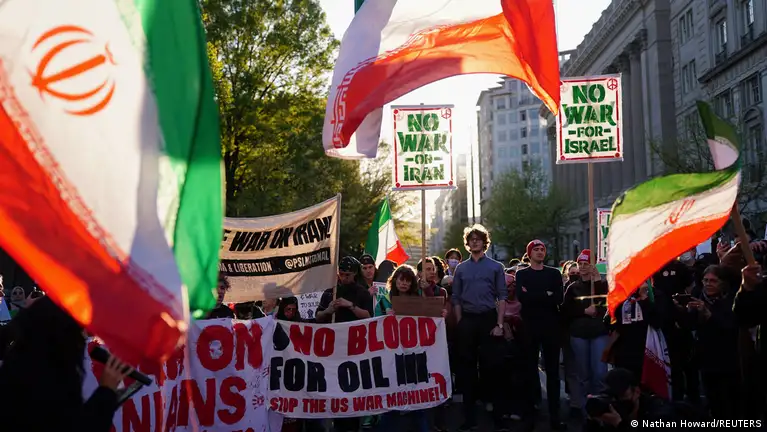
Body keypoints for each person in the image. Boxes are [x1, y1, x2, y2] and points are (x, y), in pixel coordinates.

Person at [0, 296, 133, 432]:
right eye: (77, 334)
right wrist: (106, 391)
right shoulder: (46, 383)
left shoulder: (15, 369)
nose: (81, 341)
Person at [451, 224, 508, 431]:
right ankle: (469, 419)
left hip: (488, 319)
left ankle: (498, 417)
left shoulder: (496, 267)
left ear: (485, 243)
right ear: (467, 243)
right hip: (467, 320)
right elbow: (456, 297)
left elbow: (502, 296)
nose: (475, 242)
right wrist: (460, 321)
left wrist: (499, 324)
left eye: (478, 239)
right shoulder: (460, 269)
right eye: (471, 239)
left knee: (493, 368)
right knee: (467, 371)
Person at [315, 256, 373, 432]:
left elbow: (368, 316)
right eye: (341, 274)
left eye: (347, 274)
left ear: (354, 274)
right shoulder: (330, 292)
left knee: (351, 389)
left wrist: (350, 306)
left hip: (354, 350)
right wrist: (328, 310)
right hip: (333, 349)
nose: (344, 277)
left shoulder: (362, 292)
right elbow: (318, 317)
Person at [515, 239, 566, 430]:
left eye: (542, 249)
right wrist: (546, 294)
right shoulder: (522, 274)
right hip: (529, 328)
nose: (539, 252)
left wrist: (534, 295)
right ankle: (530, 415)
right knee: (529, 372)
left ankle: (555, 416)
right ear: (529, 254)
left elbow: (558, 298)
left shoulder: (553, 273)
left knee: (553, 373)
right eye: (535, 249)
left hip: (551, 327)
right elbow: (522, 297)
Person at [562, 250, 610, 417]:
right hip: (579, 335)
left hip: (599, 333)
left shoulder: (603, 284)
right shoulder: (572, 287)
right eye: (580, 264)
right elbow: (565, 311)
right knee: (583, 375)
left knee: (600, 373)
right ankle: (586, 412)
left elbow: (606, 305)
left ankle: (601, 410)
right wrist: (583, 311)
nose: (582, 267)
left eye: (586, 264)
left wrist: (597, 282)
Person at [584, 368, 708, 431]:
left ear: (637, 392)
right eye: (612, 396)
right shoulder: (613, 414)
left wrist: (620, 425)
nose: (616, 400)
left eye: (621, 395)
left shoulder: (658, 413)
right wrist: (593, 421)